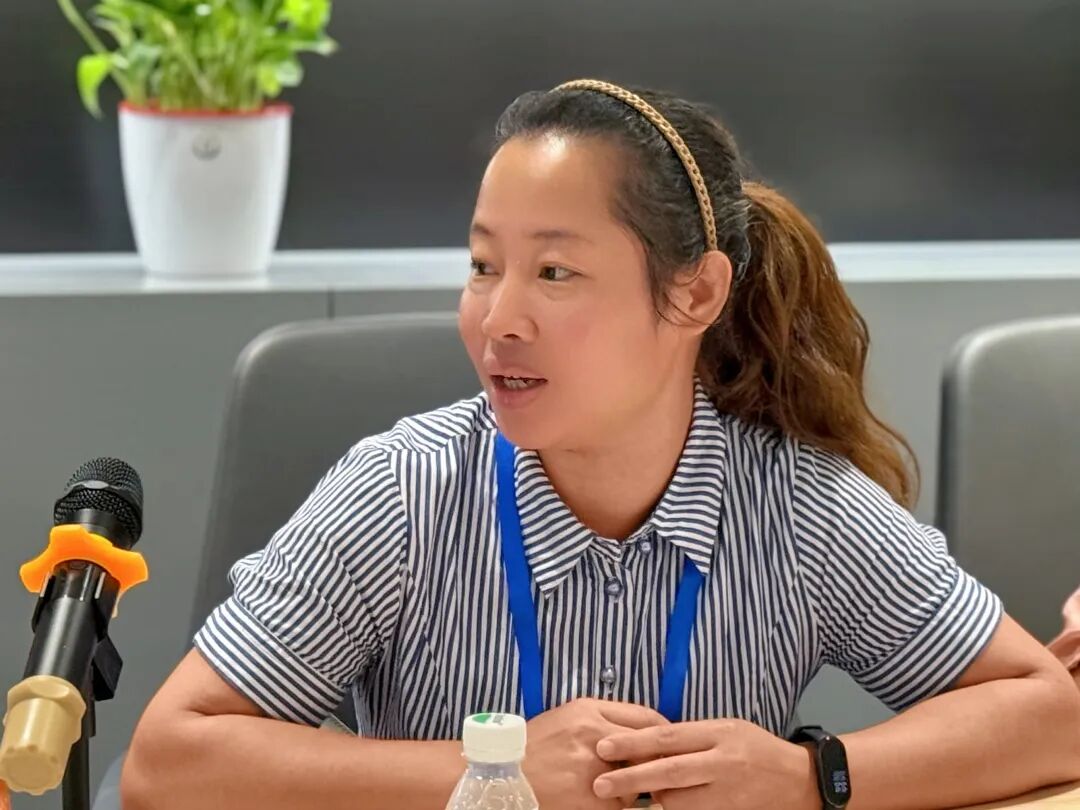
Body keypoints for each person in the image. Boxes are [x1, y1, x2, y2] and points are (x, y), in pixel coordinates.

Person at [121, 79, 1080, 810]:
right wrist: (489, 772)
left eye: (554, 272)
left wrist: (807, 775)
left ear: (695, 294)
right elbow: (167, 761)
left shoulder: (796, 503)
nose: (498, 318)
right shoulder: (403, 491)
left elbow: (1050, 715)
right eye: (483, 265)